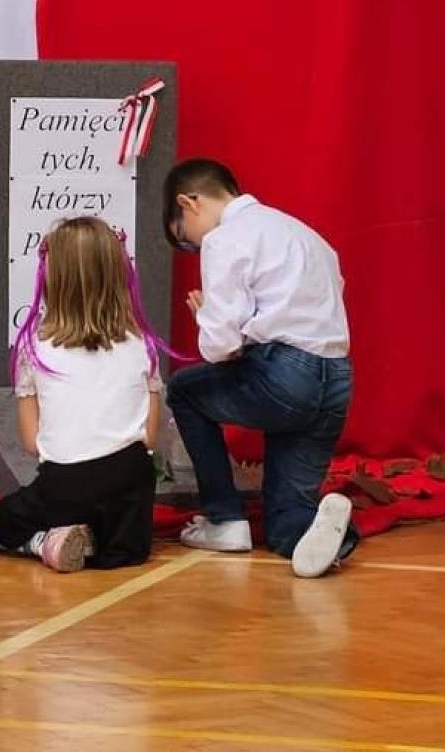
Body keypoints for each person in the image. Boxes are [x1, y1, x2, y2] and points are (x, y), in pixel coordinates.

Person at [163, 158, 357, 578]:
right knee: (285, 519)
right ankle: (331, 535)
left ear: (189, 204)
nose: (194, 249)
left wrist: (208, 317)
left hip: (285, 376)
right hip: (336, 379)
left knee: (184, 391)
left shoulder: (224, 239)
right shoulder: (305, 234)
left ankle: (224, 519)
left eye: (185, 241)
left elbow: (219, 347)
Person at [0, 217, 164, 573]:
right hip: (129, 483)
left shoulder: (33, 347)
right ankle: (99, 539)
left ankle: (46, 542)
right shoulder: (143, 345)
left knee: (1, 523)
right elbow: (149, 434)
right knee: (123, 553)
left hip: (66, 484)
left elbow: (31, 442)